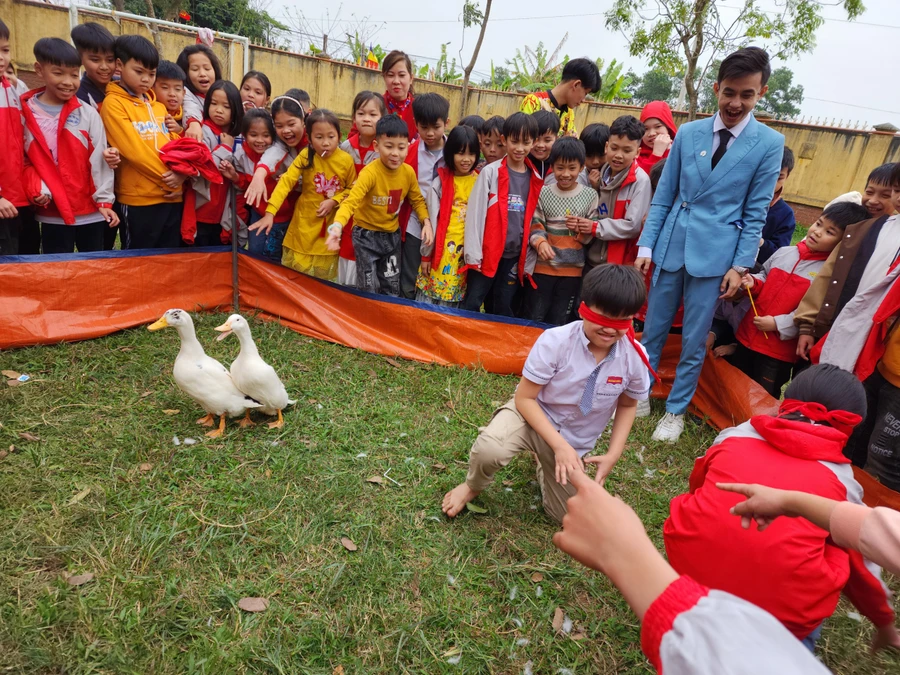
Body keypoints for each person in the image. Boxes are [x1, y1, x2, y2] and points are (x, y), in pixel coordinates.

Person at [664, 364, 899, 652]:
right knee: (844, 540)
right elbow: (862, 569)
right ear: (849, 426)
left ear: (785, 404)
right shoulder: (844, 484)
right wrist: (883, 621)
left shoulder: (733, 437)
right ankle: (793, 650)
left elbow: (696, 486)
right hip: (780, 622)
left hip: (687, 583)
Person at [635, 47, 785, 443]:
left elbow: (756, 213)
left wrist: (741, 266)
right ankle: (638, 394)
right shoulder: (688, 133)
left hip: (717, 256)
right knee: (653, 328)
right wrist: (646, 245)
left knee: (694, 337)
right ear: (716, 88)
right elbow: (664, 195)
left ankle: (676, 410)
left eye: (747, 95)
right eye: (729, 92)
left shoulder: (768, 144)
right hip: (671, 245)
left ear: (761, 93)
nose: (736, 103)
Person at [554, 471, 831, 674]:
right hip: (767, 610)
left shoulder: (737, 435)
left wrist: (621, 550)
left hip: (692, 579)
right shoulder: (845, 482)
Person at [442, 263, 652, 522]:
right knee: (490, 450)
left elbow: (628, 406)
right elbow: (525, 398)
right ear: (582, 307)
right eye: (603, 317)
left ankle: (546, 463)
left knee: (566, 518)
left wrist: (613, 454)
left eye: (621, 320)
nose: (610, 328)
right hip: (532, 416)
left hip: (575, 441)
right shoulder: (556, 342)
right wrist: (558, 445)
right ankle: (472, 485)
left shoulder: (635, 357)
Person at [730, 202, 869, 397]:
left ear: (843, 243)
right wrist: (753, 283)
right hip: (747, 334)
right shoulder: (785, 253)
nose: (818, 232)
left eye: (829, 232)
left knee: (764, 392)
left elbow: (811, 313)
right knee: (735, 380)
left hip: (779, 349)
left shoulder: (828, 275)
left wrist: (778, 324)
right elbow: (764, 275)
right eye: (819, 224)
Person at [795, 162, 900, 362]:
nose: (873, 201)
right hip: (829, 326)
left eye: (885, 195)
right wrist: (808, 325)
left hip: (871, 336)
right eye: (869, 192)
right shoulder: (853, 228)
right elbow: (826, 278)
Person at [22, 38, 117, 254]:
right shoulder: (24, 113)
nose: (68, 82)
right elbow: (22, 160)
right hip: (51, 213)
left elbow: (99, 160)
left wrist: (104, 201)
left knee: (93, 269)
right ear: (39, 70)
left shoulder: (87, 113)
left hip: (90, 210)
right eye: (58, 73)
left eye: (74, 75)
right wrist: (36, 186)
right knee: (57, 269)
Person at [326, 114, 432, 296]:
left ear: (408, 147)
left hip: (391, 236)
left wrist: (426, 222)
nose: (395, 153)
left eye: (401, 147)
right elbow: (351, 202)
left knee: (391, 285)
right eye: (389, 146)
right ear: (377, 146)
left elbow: (417, 200)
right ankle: (365, 318)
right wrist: (337, 226)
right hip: (366, 236)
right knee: (367, 285)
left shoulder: (408, 173)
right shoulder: (370, 173)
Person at [101, 35, 185, 250]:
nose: (146, 79)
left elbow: (172, 145)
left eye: (152, 74)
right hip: (139, 200)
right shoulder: (113, 104)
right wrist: (172, 180)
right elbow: (135, 152)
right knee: (138, 261)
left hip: (171, 197)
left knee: (168, 260)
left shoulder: (157, 107)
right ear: (120, 65)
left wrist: (182, 176)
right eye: (139, 72)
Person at [253, 109, 355, 281]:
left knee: (323, 277)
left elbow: (353, 189)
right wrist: (270, 212)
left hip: (328, 224)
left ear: (339, 136)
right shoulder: (306, 156)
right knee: (298, 273)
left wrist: (334, 201)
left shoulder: (346, 160)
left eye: (331, 137)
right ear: (309, 137)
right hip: (304, 222)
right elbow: (286, 182)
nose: (325, 143)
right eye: (319, 137)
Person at [720, 481, 900, 577]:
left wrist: (788, 502)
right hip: (788, 618)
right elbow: (881, 534)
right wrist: (884, 622)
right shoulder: (845, 479)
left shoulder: (735, 435)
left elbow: (881, 531)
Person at [462, 112, 542, 316]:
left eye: (526, 142)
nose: (520, 148)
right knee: (473, 300)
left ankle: (491, 346)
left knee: (502, 304)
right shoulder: (491, 173)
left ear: (533, 143)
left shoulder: (535, 177)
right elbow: (475, 215)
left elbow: (535, 218)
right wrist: (473, 254)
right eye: (515, 141)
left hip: (514, 256)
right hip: (486, 253)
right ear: (505, 141)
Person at [524, 136, 597, 325]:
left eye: (572, 168)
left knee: (560, 318)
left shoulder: (590, 195)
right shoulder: (544, 192)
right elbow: (536, 224)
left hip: (572, 271)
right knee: (536, 315)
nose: (565, 174)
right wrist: (540, 243)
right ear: (552, 166)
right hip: (543, 267)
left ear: (581, 167)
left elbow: (593, 230)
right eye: (560, 168)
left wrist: (581, 230)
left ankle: (556, 354)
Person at [416, 125, 479, 307]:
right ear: (450, 154)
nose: (466, 159)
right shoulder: (440, 182)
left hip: (462, 254)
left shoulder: (480, 182)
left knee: (451, 304)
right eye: (460, 153)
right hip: (439, 250)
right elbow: (431, 223)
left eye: (471, 154)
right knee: (428, 301)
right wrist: (426, 256)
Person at [583, 115, 650, 272]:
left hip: (618, 263)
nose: (618, 155)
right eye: (614, 148)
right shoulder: (599, 173)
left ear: (637, 152)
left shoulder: (640, 181)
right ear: (606, 147)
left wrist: (595, 227)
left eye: (627, 150)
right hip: (591, 256)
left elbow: (633, 225)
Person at [243, 91, 306, 259]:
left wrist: (297, 181)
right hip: (266, 209)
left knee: (283, 256)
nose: (286, 131)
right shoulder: (279, 143)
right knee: (257, 251)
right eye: (279, 126)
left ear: (303, 120)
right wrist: (258, 176)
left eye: (291, 124)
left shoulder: (315, 142)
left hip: (296, 212)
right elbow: (271, 156)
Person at [400, 93, 449, 299]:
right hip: (414, 222)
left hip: (444, 224)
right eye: (424, 127)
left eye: (436, 127)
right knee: (409, 272)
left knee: (436, 274)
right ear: (416, 124)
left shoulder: (454, 154)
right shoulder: (409, 152)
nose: (430, 133)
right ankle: (405, 310)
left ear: (446, 123)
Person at [338, 91, 386, 286]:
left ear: (382, 118)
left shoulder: (385, 151)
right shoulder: (344, 148)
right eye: (361, 113)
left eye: (373, 114)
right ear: (353, 118)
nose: (367, 119)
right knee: (347, 257)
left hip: (374, 216)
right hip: (349, 215)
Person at [194, 80, 242, 247]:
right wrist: (225, 148)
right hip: (203, 208)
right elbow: (205, 167)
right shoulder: (203, 130)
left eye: (226, 106)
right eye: (214, 103)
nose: (219, 110)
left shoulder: (238, 134)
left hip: (225, 210)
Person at [219, 108, 274, 244]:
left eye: (266, 135)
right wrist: (234, 176)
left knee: (276, 253)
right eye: (254, 135)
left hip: (282, 212)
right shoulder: (240, 156)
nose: (260, 140)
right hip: (257, 211)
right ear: (244, 135)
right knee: (256, 249)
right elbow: (244, 187)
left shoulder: (278, 155)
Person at [0, 18, 28, 256]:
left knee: (24, 261)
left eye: (5, 50)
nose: (2, 58)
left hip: (19, 198)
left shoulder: (15, 89)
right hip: (2, 201)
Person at [520, 57, 601, 137]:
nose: (583, 100)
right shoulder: (533, 102)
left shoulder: (569, 113)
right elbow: (523, 139)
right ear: (576, 84)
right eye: (585, 93)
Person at [349, 50, 415, 142]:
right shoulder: (375, 104)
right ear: (384, 77)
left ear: (411, 78)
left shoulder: (418, 109)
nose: (396, 81)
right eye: (390, 75)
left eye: (401, 75)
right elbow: (354, 139)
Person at [757, 146, 796, 265]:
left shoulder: (785, 214)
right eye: (766, 176)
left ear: (787, 177)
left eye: (779, 178)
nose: (771, 183)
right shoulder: (737, 199)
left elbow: (778, 254)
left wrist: (759, 242)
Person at [176, 44, 221, 142]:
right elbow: (190, 106)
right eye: (195, 69)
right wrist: (193, 123)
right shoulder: (184, 92)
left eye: (207, 68)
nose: (202, 74)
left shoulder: (222, 93)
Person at [71, 22, 115, 111]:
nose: (104, 67)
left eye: (110, 60)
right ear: (80, 58)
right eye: (95, 60)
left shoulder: (124, 86)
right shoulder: (78, 96)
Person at [636, 100, 676, 175]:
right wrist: (656, 154)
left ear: (668, 127)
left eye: (658, 126)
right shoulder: (636, 153)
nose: (651, 133)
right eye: (646, 129)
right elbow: (642, 179)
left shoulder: (678, 150)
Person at [152, 60, 186, 137]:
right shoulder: (149, 112)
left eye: (177, 89)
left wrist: (179, 131)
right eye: (165, 88)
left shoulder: (186, 117)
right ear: (152, 88)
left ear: (184, 93)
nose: (172, 94)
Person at [527, 110, 559, 180]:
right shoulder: (521, 162)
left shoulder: (559, 163)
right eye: (536, 139)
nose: (540, 145)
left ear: (556, 139)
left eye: (547, 140)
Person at [580, 122, 609, 190]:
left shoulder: (613, 177)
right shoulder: (578, 177)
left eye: (601, 155)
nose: (595, 162)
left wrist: (597, 187)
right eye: (589, 155)